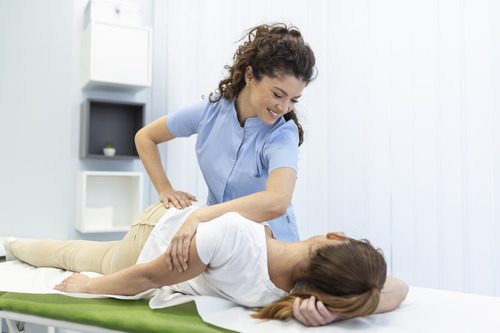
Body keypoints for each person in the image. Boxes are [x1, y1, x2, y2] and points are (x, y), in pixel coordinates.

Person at [6, 203, 408, 325]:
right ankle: (13, 244)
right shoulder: (297, 292)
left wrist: (89, 287)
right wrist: (334, 311)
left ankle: (11, 244)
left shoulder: (233, 235)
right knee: (72, 252)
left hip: (147, 243)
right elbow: (395, 289)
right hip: (173, 230)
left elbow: (147, 275)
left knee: (71, 256)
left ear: (336, 238)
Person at [134, 23, 316, 274]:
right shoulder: (211, 112)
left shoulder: (282, 134)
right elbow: (145, 137)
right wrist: (165, 189)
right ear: (250, 76)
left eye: (293, 100)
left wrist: (200, 217)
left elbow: (277, 201)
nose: (284, 107)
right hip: (216, 245)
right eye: (277, 94)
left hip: (268, 253)